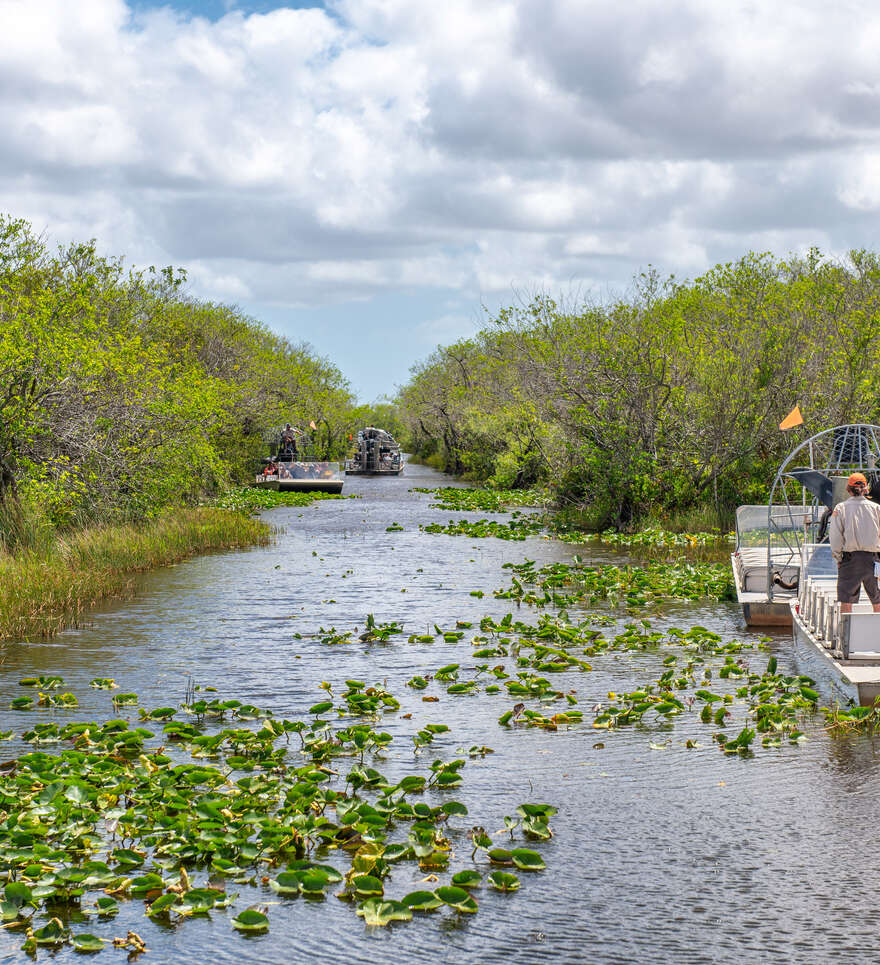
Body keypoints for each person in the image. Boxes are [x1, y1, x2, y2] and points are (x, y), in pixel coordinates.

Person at [829, 472, 880, 614]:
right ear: (866, 489)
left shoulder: (840, 508)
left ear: (848, 489)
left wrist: (838, 558)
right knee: (877, 599)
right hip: (874, 560)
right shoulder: (876, 509)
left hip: (850, 559)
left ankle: (845, 633)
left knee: (847, 600)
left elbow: (835, 537)